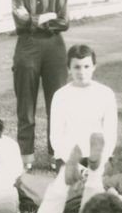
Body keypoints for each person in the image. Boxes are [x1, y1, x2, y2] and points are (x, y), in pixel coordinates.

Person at [11, 0, 70, 170]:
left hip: (54, 49)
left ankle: (56, 155)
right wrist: (47, 16)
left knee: (56, 104)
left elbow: (64, 22)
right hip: (27, 47)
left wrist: (34, 19)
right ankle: (26, 157)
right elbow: (21, 21)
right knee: (26, 104)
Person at [49, 44, 117, 183]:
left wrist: (99, 163)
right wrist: (75, 166)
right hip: (69, 158)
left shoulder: (105, 93)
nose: (82, 72)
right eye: (77, 67)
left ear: (94, 66)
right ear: (69, 68)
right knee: (72, 194)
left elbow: (110, 133)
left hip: (98, 157)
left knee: (100, 190)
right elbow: (56, 136)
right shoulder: (60, 95)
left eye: (86, 66)